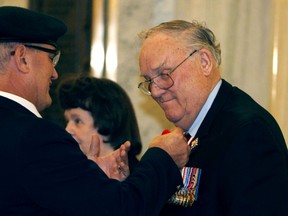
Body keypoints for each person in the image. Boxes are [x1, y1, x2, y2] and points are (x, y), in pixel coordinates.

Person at [0, 6, 191, 216]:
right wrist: (163, 156)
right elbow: (122, 209)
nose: (54, 73)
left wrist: (89, 180)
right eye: (51, 58)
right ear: (22, 58)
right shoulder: (35, 137)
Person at [137, 20, 288, 216]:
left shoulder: (248, 132)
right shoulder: (195, 129)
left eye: (164, 74)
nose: (155, 91)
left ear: (205, 62)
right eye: (149, 80)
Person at [58, 76, 142, 172]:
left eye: (77, 121)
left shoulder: (139, 182)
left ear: (108, 121)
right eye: (67, 121)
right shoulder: (70, 174)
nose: (67, 130)